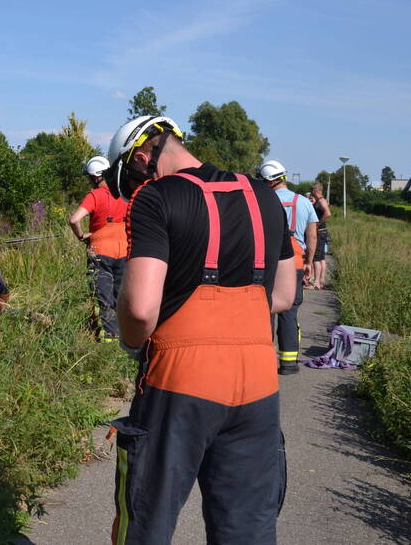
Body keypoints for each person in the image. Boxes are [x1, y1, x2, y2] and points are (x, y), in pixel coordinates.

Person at [106, 115, 296, 545]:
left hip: (181, 380)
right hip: (257, 384)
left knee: (146, 518)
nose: (134, 191)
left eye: (131, 182)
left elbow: (140, 308)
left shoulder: (155, 198)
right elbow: (284, 295)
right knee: (246, 528)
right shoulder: (264, 196)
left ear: (141, 158)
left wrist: (131, 340)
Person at [257, 160, 318, 375]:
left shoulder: (259, 199)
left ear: (267, 181)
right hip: (294, 262)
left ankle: (262, 361)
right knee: (289, 311)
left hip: (265, 263)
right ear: (283, 177)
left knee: (264, 309)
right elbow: (311, 235)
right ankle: (289, 363)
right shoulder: (303, 202)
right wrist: (309, 262)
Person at [69, 155, 129, 342]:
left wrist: (81, 236)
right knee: (122, 296)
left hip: (100, 250)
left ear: (95, 177)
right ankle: (126, 336)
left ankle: (109, 337)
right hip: (125, 250)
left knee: (103, 295)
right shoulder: (124, 192)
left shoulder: (95, 195)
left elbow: (74, 219)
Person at [309, 182, 331, 289]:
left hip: (320, 231)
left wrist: (317, 224)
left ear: (314, 191)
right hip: (322, 231)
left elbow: (328, 213)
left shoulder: (321, 201)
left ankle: (316, 282)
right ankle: (321, 280)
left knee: (316, 258)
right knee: (321, 257)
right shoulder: (321, 200)